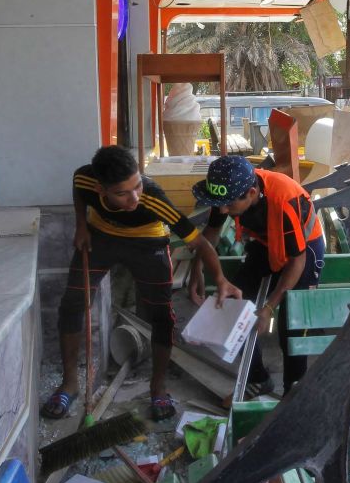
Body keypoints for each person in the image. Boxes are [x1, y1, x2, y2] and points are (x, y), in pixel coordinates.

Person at [43, 145, 242, 422]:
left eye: (137, 186)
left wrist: (220, 279)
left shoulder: (153, 198)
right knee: (72, 304)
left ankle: (158, 388)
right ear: (102, 190)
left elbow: (199, 242)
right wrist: (81, 225)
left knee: (161, 315)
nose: (135, 197)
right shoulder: (85, 179)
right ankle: (69, 384)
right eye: (123, 193)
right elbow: (79, 191)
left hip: (148, 243)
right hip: (101, 238)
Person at [192, 156, 324, 396]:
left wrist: (269, 308)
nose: (222, 210)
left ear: (252, 193)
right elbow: (210, 232)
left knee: (293, 324)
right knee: (235, 304)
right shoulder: (229, 191)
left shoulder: (283, 200)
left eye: (228, 205)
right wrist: (196, 270)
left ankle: (294, 389)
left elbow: (296, 260)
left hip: (304, 249)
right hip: (265, 242)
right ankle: (258, 378)